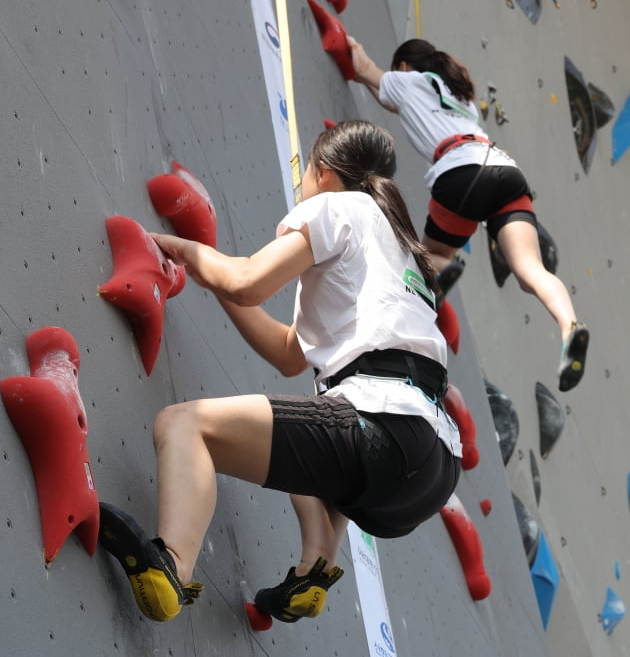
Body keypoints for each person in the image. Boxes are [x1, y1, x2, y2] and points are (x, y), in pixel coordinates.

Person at [98, 120, 462, 624]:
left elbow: (245, 281)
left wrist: (182, 249)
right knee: (312, 443)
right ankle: (316, 564)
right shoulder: (403, 250)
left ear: (325, 174)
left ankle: (172, 565)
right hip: (431, 469)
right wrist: (217, 277)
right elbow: (290, 352)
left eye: (305, 175)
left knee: (182, 425)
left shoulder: (338, 206)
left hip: (384, 426)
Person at [348, 37, 589, 392]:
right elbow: (397, 103)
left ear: (403, 66)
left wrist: (352, 47)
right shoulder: (462, 100)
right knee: (529, 271)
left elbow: (364, 70)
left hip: (462, 171)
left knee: (432, 256)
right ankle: (570, 325)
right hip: (505, 170)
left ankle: (447, 266)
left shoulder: (406, 80)